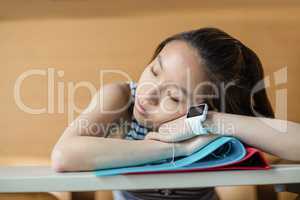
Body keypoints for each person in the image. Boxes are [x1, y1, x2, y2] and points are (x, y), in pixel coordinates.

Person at [51, 27, 300, 200]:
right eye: (154, 70)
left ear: (202, 107)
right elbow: (64, 155)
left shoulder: (203, 120)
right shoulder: (122, 99)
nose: (148, 95)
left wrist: (213, 120)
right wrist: (177, 149)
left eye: (173, 97)